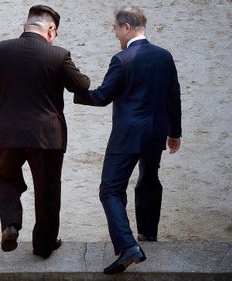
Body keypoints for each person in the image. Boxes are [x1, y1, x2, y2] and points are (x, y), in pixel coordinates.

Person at [74, 6, 182, 274]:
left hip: (127, 134)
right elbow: (173, 96)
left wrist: (76, 91)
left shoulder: (122, 59)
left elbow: (102, 96)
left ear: (126, 27)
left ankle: (128, 245)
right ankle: (147, 233)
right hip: (156, 131)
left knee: (110, 189)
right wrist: (174, 133)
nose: (114, 34)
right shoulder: (164, 56)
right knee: (149, 178)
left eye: (115, 28)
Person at [0, 5, 90, 258]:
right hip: (47, 137)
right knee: (47, 190)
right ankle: (44, 245)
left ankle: (10, 224)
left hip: (6, 134)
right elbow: (80, 85)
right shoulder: (58, 56)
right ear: (51, 30)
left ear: (25, 26)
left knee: (2, 178)